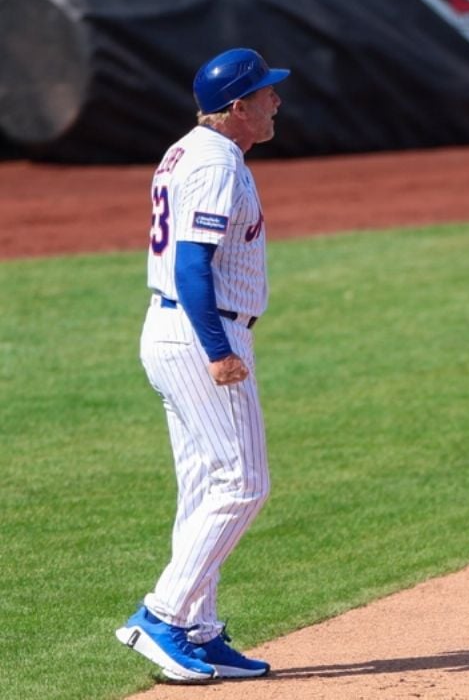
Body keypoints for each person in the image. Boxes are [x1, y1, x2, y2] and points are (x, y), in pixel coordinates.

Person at [114, 47, 288, 681]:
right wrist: (218, 350)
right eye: (266, 93)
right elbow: (192, 265)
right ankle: (161, 616)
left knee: (203, 489)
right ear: (237, 106)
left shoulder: (188, 148)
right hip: (198, 333)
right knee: (243, 483)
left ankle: (198, 629)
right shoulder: (216, 161)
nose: (276, 101)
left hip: (168, 329)